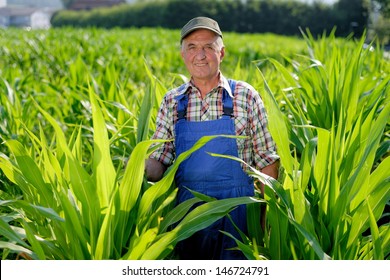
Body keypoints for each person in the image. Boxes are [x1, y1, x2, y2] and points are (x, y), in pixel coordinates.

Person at [145, 16, 279, 260]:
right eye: (192, 48)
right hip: (188, 217)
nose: (201, 55)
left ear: (222, 52)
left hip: (239, 215)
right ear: (182, 55)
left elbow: (266, 159)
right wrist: (137, 169)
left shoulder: (245, 96)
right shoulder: (172, 101)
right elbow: (159, 160)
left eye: (208, 47)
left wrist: (267, 218)